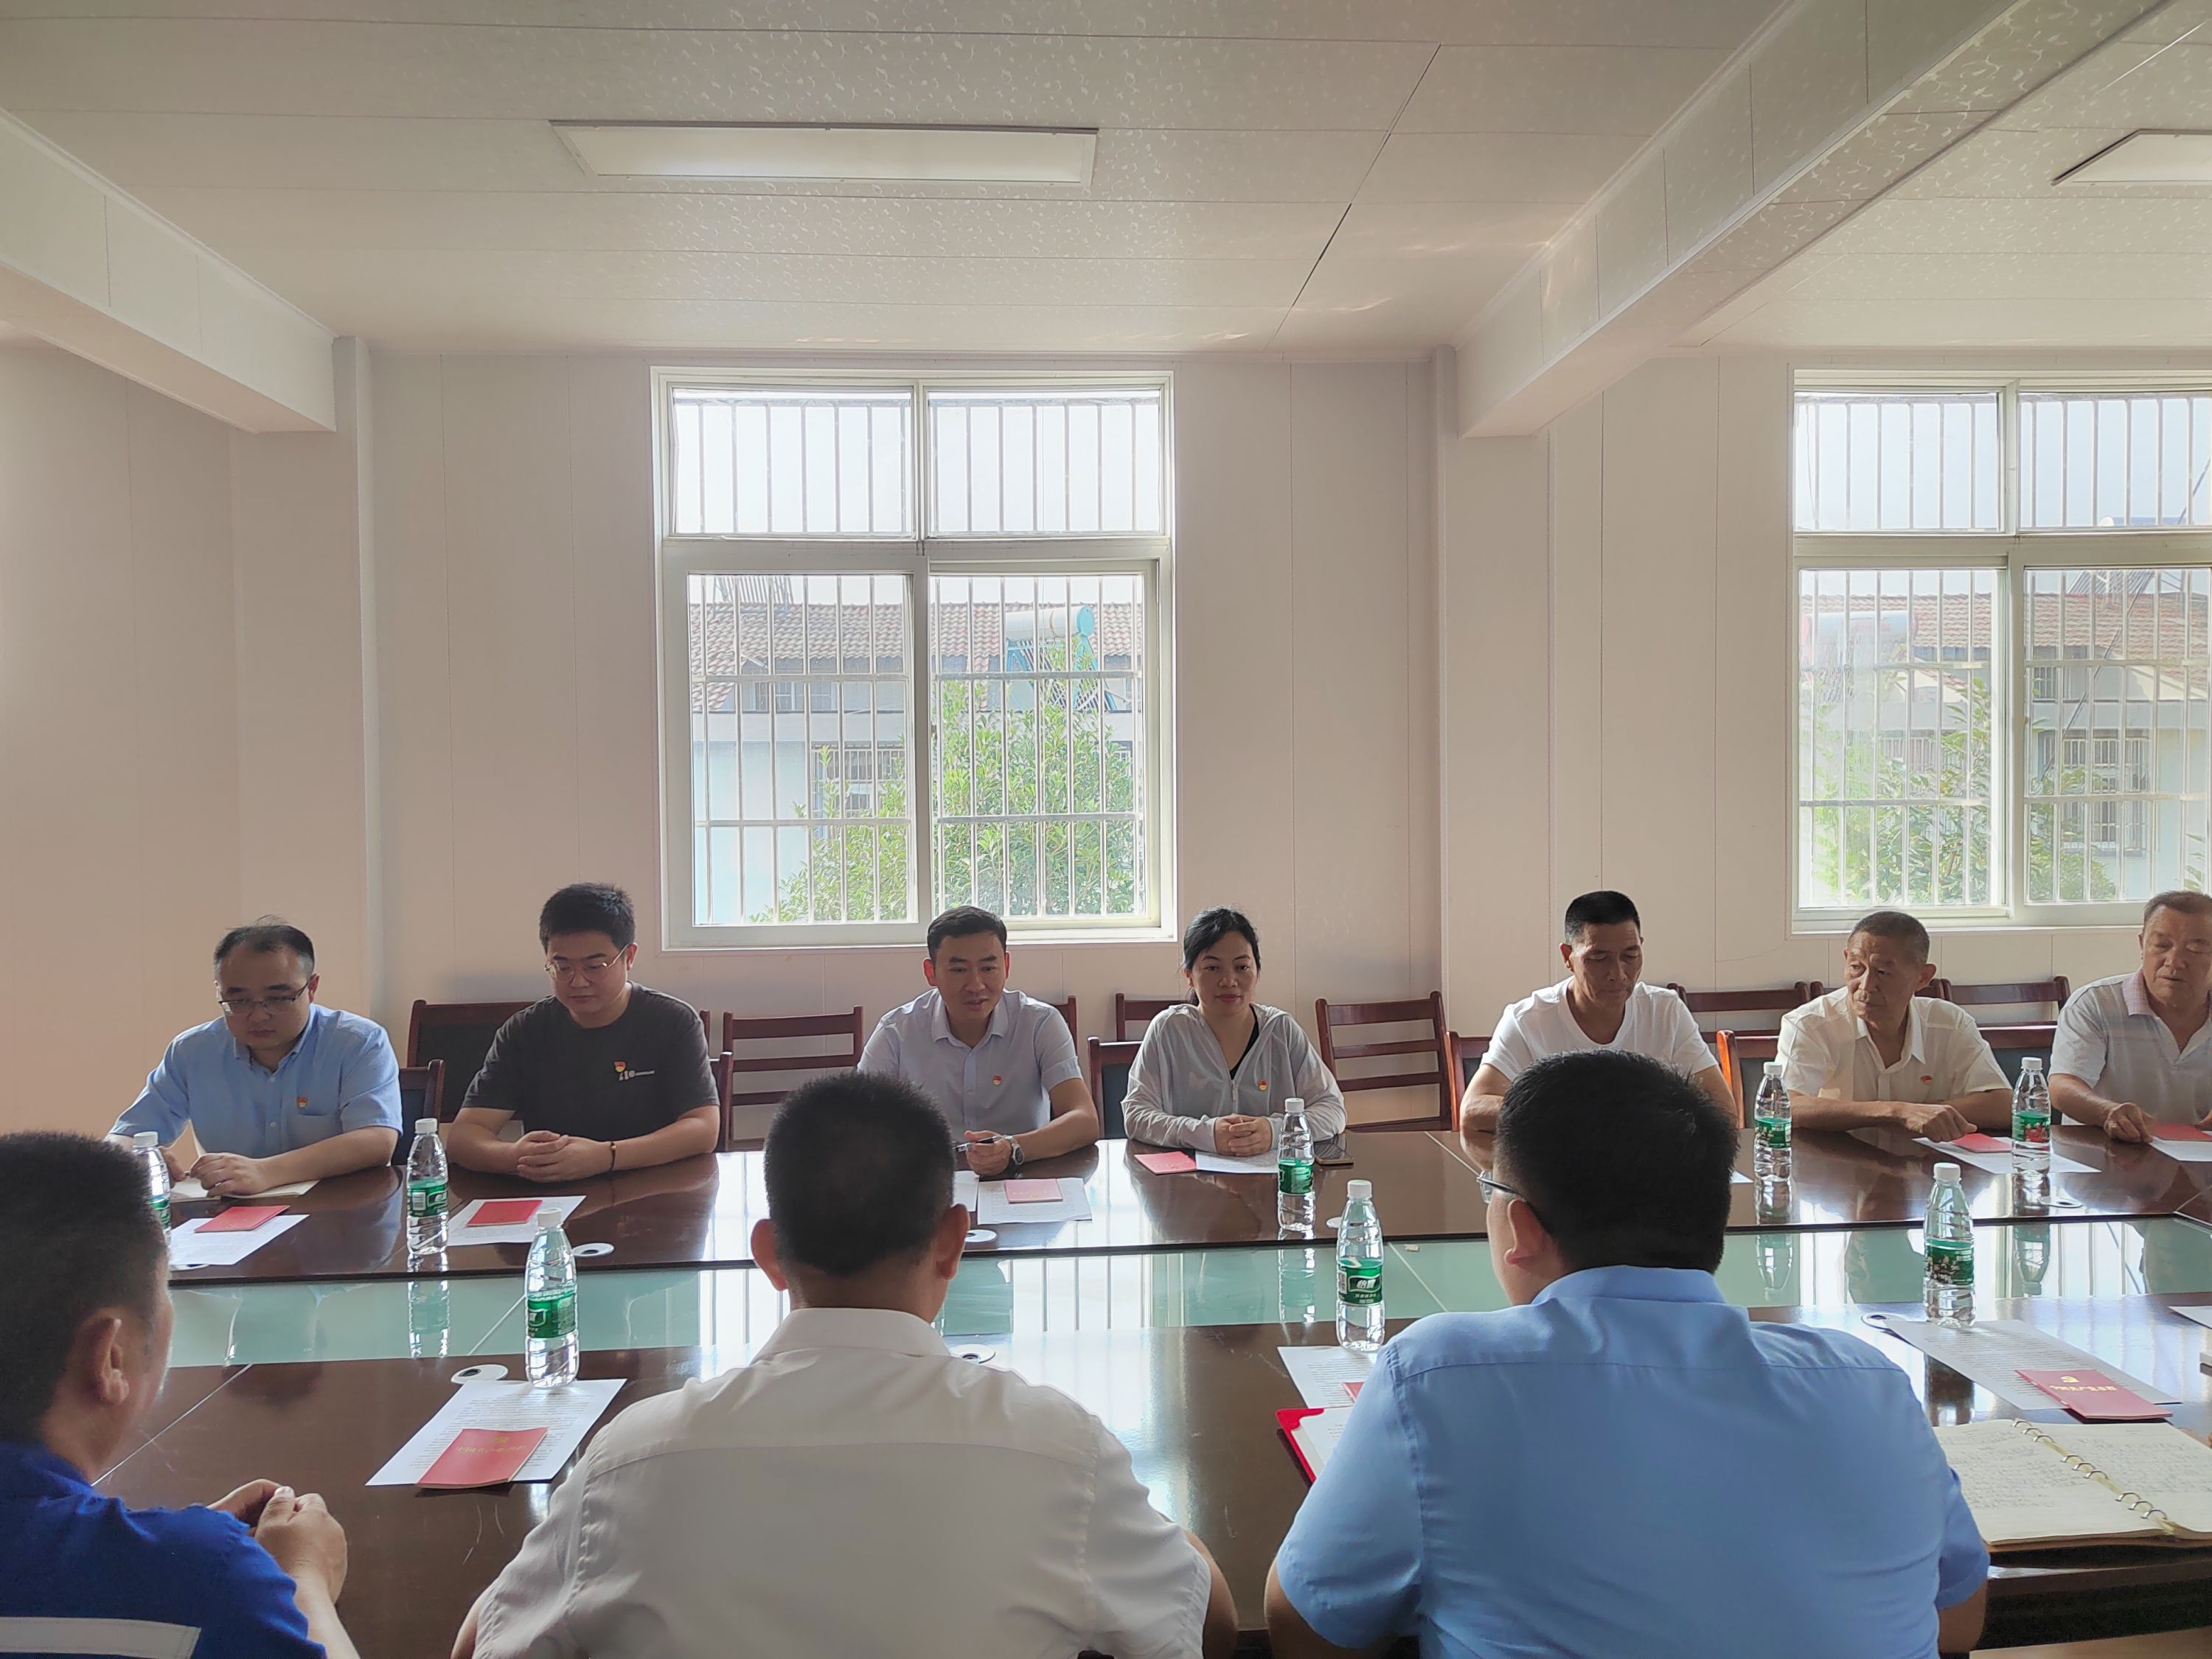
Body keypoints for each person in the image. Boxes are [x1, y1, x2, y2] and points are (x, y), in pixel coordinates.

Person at [453, 1071, 1237, 1659]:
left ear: (768, 1255)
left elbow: (481, 1642)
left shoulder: (630, 1461)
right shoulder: (1058, 1451)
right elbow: (1209, 1622)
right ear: (953, 1242)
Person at [1267, 1051, 1988, 1659]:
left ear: (1520, 1226)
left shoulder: (1439, 1378)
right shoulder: (1869, 1385)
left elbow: (1307, 1626)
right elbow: (1958, 1617)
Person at [0, 1131, 359, 1658]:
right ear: (111, 1357)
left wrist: (154, 1549)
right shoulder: (202, 1580)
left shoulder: (187, 1567)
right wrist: (303, 1579)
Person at [447, 884, 719, 1183]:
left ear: (629, 956)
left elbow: (703, 1128)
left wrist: (607, 1156)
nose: (578, 982)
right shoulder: (525, 1031)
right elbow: (465, 1136)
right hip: (556, 1192)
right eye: (562, 968)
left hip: (656, 1186)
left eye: (595, 966)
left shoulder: (673, 1021)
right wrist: (517, 1156)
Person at [111, 919, 401, 1198]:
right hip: (231, 1216)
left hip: (341, 1210)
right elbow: (123, 1137)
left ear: (311, 988)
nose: (258, 1015)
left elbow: (377, 1140)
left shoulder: (357, 1042)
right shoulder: (193, 1051)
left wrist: (265, 1172)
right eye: (238, 1001)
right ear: (219, 991)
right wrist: (135, 1156)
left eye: (278, 998)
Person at [1460, 891, 1731, 1134]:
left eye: (1630, 956)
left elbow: (1723, 1108)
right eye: (1598, 958)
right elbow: (1474, 1110)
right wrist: (1571, 1115)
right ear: (1568, 956)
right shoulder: (1529, 1020)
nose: (1618, 974)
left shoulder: (1665, 1012)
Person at [859, 905, 1099, 1175]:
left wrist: (1012, 1148)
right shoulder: (896, 1032)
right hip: (928, 1180)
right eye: (959, 970)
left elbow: (1084, 1120)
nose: (976, 985)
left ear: (1006, 966)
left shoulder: (1040, 1024)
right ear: (931, 972)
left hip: (1023, 1176)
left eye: (988, 968)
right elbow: (857, 1123)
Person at [1122, 907, 1346, 1153]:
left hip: (1272, 1176)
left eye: (1242, 967)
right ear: (1189, 975)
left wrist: (1276, 1131)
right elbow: (1136, 1115)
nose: (1229, 981)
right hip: (1188, 1176)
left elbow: (1333, 1110)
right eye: (1212, 968)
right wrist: (1205, 1134)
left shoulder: (1281, 1030)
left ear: (1257, 972)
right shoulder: (1168, 1030)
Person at [1778, 910, 2011, 1138]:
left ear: (1922, 977)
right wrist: (1895, 1112)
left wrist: (1921, 1115)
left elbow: (2003, 1104)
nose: (1866, 985)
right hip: (1836, 1159)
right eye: (1856, 967)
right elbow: (1786, 1107)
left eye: (1882, 972)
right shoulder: (1811, 1023)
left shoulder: (1949, 1023)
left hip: (1925, 1160)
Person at [2053, 889, 2212, 1141]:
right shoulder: (2096, 1004)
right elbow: (2063, 1085)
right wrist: (2106, 1112)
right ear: (2142, 945)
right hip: (2106, 1154)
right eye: (2161, 945)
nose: (2174, 961)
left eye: (2194, 949)